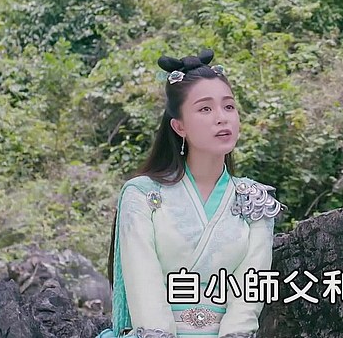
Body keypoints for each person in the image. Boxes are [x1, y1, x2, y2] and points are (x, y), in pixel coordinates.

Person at [97, 50, 281, 338]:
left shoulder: (255, 199)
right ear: (179, 126)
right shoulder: (142, 195)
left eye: (229, 106)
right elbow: (143, 282)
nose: (222, 118)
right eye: (205, 109)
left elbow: (250, 289)